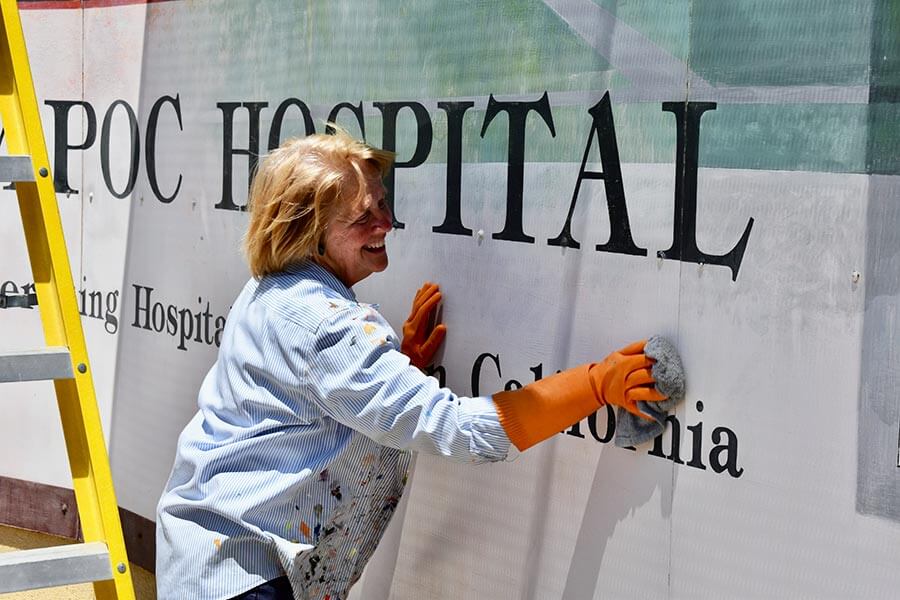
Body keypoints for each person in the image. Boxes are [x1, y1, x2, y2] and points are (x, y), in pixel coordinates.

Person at [156, 130, 668, 600]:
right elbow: (462, 430)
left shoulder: (271, 290)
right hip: (246, 581)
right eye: (363, 217)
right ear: (308, 233)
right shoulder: (326, 324)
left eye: (383, 203)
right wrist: (597, 384)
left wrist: (397, 367)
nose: (387, 223)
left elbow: (307, 404)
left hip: (206, 564)